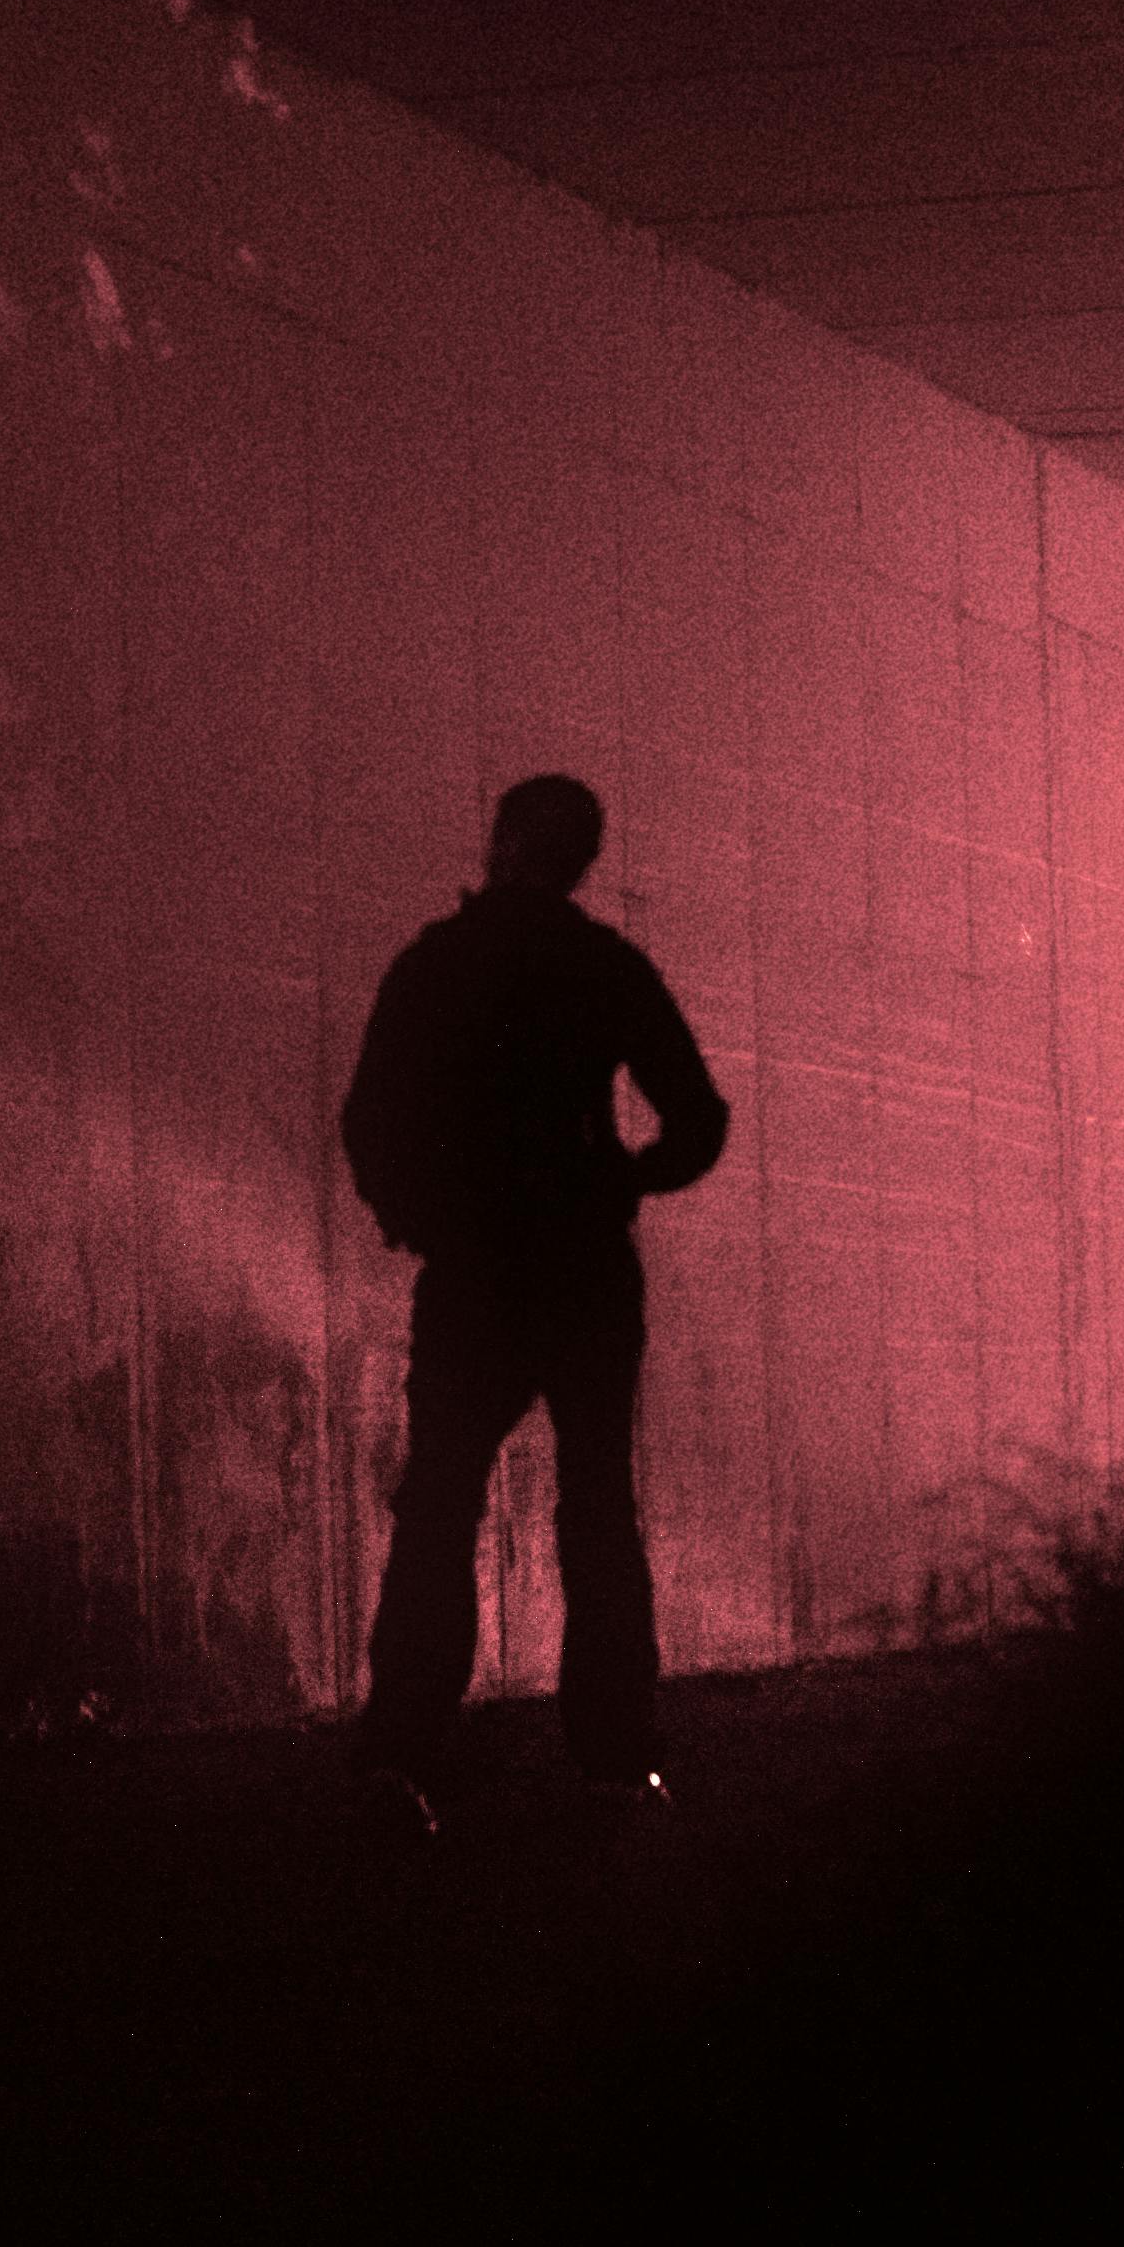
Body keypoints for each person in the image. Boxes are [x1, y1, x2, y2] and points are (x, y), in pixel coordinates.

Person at [339, 774, 729, 1833]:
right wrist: (625, 1180)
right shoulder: (605, 968)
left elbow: (369, 1114)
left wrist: (412, 1213)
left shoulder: (436, 963)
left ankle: (403, 1752)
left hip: (473, 1271)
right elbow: (696, 1118)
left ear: (504, 841)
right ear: (580, 858)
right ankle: (615, 1758)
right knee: (596, 1508)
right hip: (585, 1270)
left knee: (438, 1508)